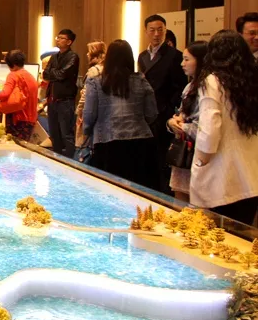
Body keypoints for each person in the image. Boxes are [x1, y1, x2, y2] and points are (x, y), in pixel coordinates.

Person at [190, 30, 258, 225]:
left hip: (222, 177)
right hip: (251, 176)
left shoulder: (212, 81)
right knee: (242, 235)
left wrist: (201, 161)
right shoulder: (252, 81)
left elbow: (210, 129)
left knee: (216, 235)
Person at [83, 40, 158, 188]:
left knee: (109, 190)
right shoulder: (141, 80)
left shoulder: (96, 82)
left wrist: (87, 132)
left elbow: (89, 114)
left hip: (106, 141)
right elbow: (152, 113)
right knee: (138, 190)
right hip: (140, 140)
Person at [137, 15, 187, 192]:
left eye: (160, 30)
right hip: (145, 114)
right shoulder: (142, 56)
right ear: (146, 32)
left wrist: (167, 108)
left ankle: (162, 193)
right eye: (152, 30)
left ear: (165, 31)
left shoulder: (175, 55)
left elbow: (180, 87)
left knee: (162, 157)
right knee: (147, 156)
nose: (156, 34)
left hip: (163, 114)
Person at [166, 41, 208, 201]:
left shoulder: (208, 88)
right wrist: (172, 123)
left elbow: (204, 128)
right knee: (180, 199)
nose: (182, 64)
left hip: (200, 154)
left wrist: (181, 125)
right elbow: (180, 115)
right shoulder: (189, 86)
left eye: (187, 59)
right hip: (183, 151)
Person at [42, 28, 80, 157]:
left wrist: (53, 72)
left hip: (65, 101)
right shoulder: (54, 56)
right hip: (52, 100)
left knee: (66, 134)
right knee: (54, 134)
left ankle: (70, 162)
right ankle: (57, 159)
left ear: (69, 42)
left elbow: (62, 74)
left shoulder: (73, 57)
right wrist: (55, 73)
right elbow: (45, 74)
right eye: (57, 37)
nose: (58, 40)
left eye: (61, 38)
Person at [0, 49, 39, 141]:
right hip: (31, 119)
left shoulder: (13, 75)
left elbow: (5, 93)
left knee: (13, 145)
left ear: (13, 65)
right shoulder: (31, 77)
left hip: (17, 118)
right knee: (24, 145)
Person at [74, 41, 107, 162]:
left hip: (89, 112)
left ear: (95, 54)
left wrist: (79, 111)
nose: (87, 55)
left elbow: (86, 95)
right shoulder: (107, 69)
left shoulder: (93, 71)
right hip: (103, 115)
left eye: (89, 52)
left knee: (84, 146)